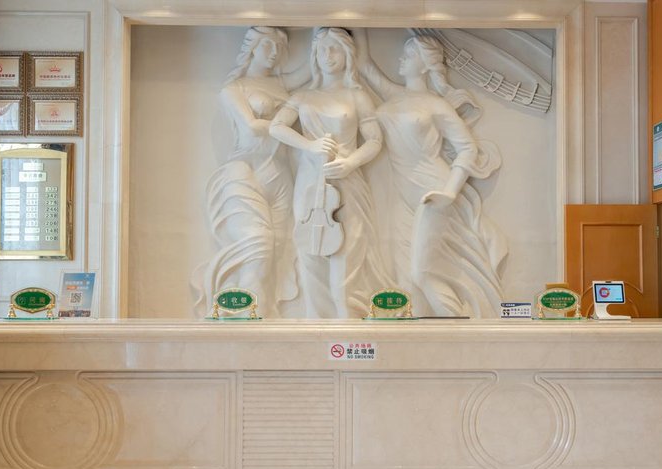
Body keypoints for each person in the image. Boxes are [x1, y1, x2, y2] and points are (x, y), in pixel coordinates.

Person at [354, 29, 507, 317]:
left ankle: (458, 327)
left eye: (410, 54)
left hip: (432, 191)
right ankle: (414, 335)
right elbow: (363, 63)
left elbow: (467, 148)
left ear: (425, 65)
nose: (401, 58)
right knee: (404, 274)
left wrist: (449, 191)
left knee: (423, 270)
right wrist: (357, 20)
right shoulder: (393, 95)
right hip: (400, 194)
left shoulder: (437, 105)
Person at [270, 27, 392, 318]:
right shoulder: (303, 96)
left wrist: (351, 162)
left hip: (347, 181)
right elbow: (277, 127)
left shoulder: (357, 96)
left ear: (347, 54)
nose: (328, 55)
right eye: (322, 49)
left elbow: (375, 140)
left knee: (347, 250)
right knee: (309, 248)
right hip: (310, 182)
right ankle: (317, 321)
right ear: (314, 55)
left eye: (335, 48)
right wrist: (309, 145)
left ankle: (347, 317)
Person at [192, 27, 310, 318]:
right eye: (268, 45)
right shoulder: (233, 90)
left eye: (279, 46)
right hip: (245, 171)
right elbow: (251, 126)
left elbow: (312, 68)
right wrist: (289, 131)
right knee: (259, 246)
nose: (274, 52)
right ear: (253, 47)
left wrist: (334, 26)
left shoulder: (281, 84)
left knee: (279, 250)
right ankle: (245, 318)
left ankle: (264, 315)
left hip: (280, 174)